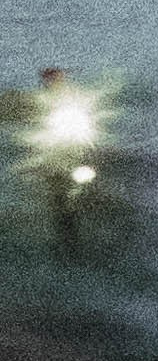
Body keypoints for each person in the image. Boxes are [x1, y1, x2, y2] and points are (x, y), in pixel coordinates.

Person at [1, 66, 106, 255]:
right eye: (51, 80)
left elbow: (91, 115)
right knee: (60, 200)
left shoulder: (73, 98)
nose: (55, 82)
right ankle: (69, 246)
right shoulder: (39, 100)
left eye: (58, 78)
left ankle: (82, 232)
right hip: (53, 157)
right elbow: (19, 110)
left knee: (85, 188)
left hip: (74, 150)